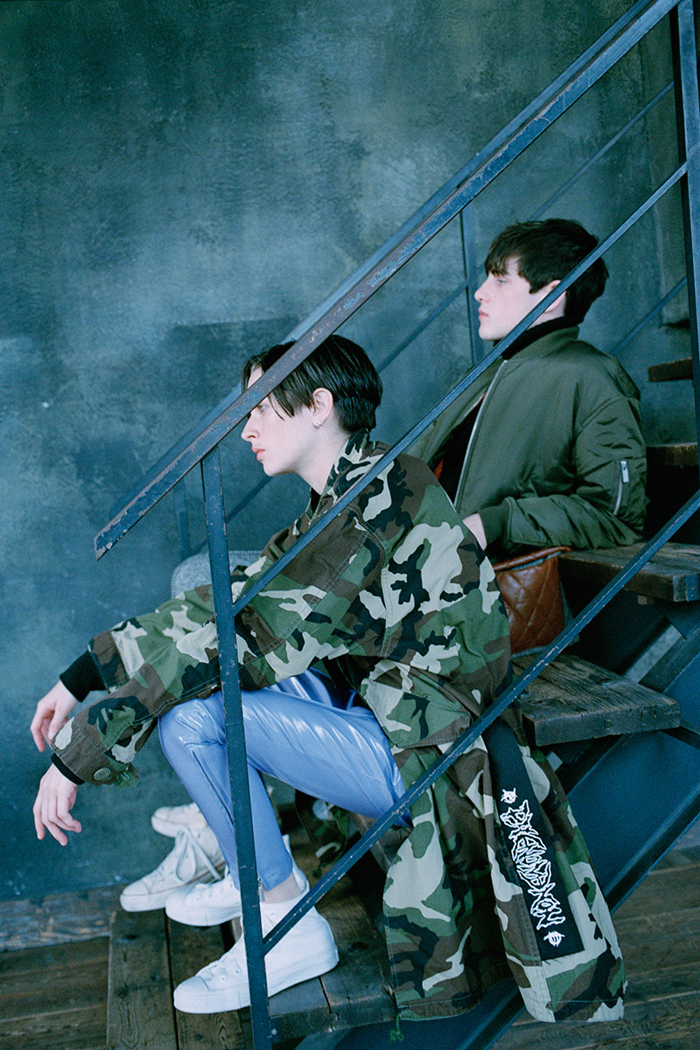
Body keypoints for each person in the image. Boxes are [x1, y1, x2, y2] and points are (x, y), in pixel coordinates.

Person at [30, 335, 625, 1023]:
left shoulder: (378, 502)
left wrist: (76, 756)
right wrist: (83, 675)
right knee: (206, 647)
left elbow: (244, 640)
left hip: (430, 751)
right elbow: (225, 606)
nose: (245, 428)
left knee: (195, 719)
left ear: (318, 405)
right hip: (383, 711)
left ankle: (283, 918)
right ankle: (250, 860)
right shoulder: (345, 497)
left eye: (260, 407)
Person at [411, 218, 647, 556]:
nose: (480, 292)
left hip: (476, 577)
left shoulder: (592, 378)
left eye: (500, 280)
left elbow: (615, 516)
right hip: (414, 563)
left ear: (551, 296)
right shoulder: (482, 376)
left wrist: (497, 523)